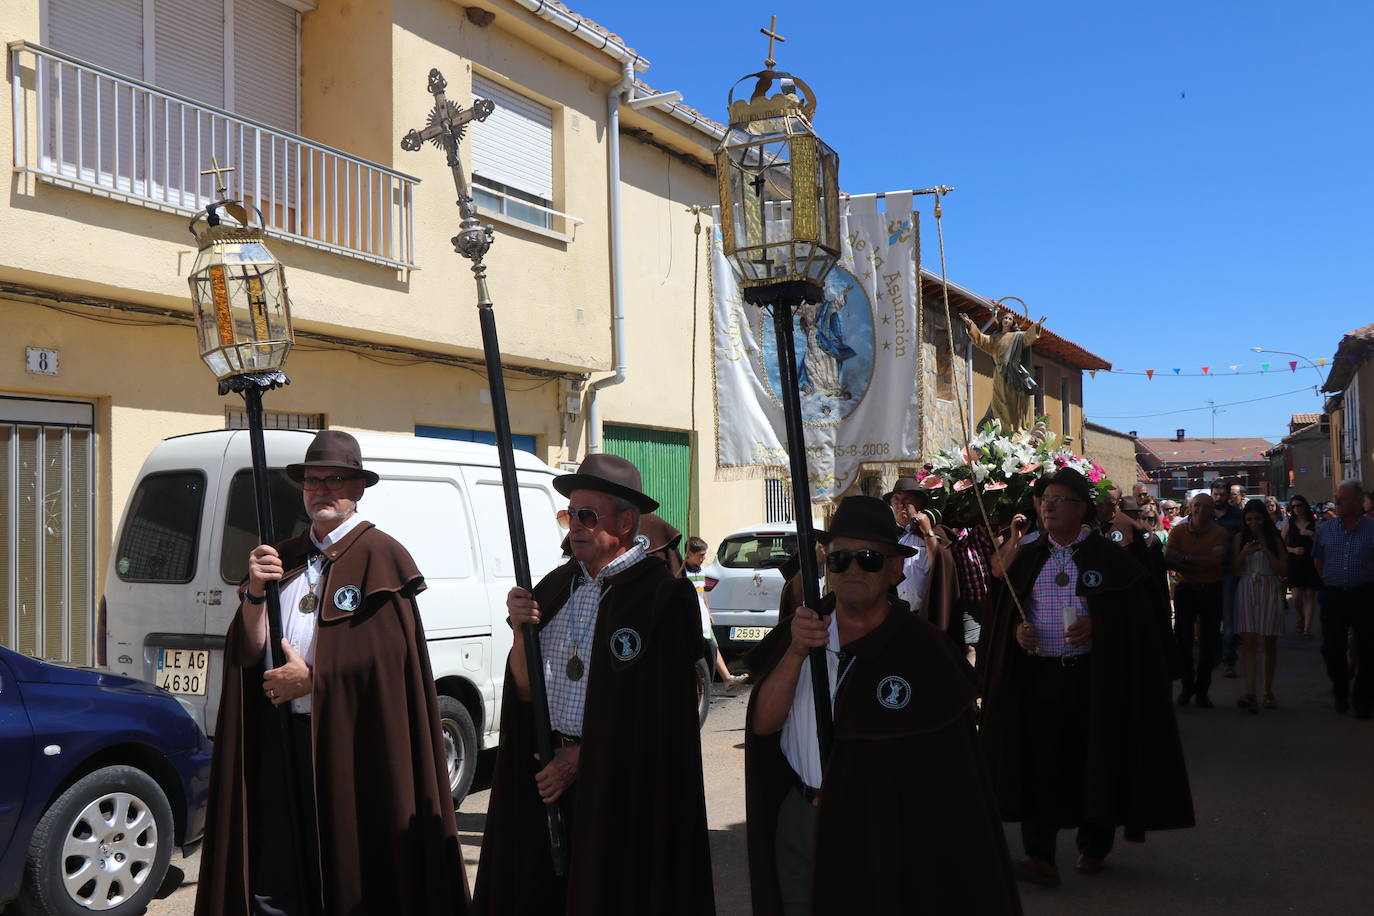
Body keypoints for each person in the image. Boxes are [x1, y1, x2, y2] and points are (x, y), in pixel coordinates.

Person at [195, 430, 467, 916]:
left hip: (350, 743)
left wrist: (315, 681)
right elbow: (247, 649)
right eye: (312, 481)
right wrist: (255, 593)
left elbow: (389, 665)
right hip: (281, 737)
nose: (321, 490)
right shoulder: (283, 555)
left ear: (358, 489)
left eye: (334, 480)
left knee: (346, 865)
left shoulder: (382, 556)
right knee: (276, 861)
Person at [744, 497, 1021, 915]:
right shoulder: (798, 634)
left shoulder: (925, 651)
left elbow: (952, 777)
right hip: (804, 822)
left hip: (885, 830)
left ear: (895, 569)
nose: (853, 569)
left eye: (870, 559)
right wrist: (797, 653)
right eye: (839, 559)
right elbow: (763, 727)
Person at [473, 454, 714, 914]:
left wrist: (581, 757)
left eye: (588, 515)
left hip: (624, 786)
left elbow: (660, 712)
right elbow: (524, 692)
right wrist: (520, 634)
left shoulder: (663, 597)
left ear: (626, 522)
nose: (575, 527)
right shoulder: (554, 587)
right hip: (548, 774)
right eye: (569, 515)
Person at [979, 468, 1193, 887]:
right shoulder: (1026, 554)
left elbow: (1139, 621)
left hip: (1096, 681)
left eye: (1059, 500)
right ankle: (1039, 854)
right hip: (1039, 679)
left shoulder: (1110, 556)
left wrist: (1100, 626)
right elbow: (1003, 608)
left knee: (1096, 758)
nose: (1049, 507)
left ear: (1082, 510)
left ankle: (1094, 845)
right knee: (1039, 760)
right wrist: (1016, 633)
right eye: (1044, 500)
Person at [1312, 480, 1374, 718]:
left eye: (1343, 498)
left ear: (1359, 503)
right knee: (1331, 648)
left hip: (1365, 595)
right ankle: (1340, 689)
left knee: (1369, 650)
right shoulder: (1326, 529)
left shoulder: (1371, 528)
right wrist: (1330, 582)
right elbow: (1318, 560)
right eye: (1337, 497)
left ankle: (1363, 699)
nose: (1336, 501)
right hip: (1334, 596)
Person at [1164, 493, 1230, 708]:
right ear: (1191, 508)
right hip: (1186, 590)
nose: (1201, 510)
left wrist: (1184, 560)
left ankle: (1202, 690)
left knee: (1209, 642)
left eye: (1206, 506)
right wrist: (1199, 563)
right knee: (1183, 639)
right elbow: (1168, 559)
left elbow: (1214, 561)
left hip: (1211, 590)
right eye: (1197, 505)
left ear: (1212, 510)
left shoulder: (1219, 532)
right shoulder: (1178, 530)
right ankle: (1187, 685)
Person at [1232, 499, 1288, 712]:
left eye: (1257, 519)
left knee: (1269, 642)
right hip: (1246, 587)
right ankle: (1250, 691)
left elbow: (1283, 570)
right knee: (1248, 641)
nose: (1253, 523)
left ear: (1264, 519)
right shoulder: (1240, 538)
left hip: (1268, 586)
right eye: (1249, 519)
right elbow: (1235, 570)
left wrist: (1266, 550)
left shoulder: (1274, 538)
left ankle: (1267, 690)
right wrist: (1244, 552)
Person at [884, 477, 957, 631]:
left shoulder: (933, 533)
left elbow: (939, 564)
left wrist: (926, 531)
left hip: (926, 614)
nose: (901, 504)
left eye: (907, 499)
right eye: (896, 499)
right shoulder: (884, 536)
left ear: (919, 504)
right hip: (892, 615)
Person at [960, 310, 1046, 431]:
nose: (1007, 320)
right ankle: (1000, 431)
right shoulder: (994, 339)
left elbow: (1027, 337)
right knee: (998, 402)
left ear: (1013, 323)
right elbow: (980, 339)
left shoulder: (1017, 337)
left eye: (1010, 319)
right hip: (999, 374)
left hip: (1012, 374)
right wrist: (970, 325)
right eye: (1005, 318)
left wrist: (1036, 326)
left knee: (1012, 402)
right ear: (1001, 321)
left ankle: (1012, 430)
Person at [686, 535, 747, 690]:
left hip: (702, 616)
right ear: (689, 554)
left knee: (713, 645)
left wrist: (709, 612)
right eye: (700, 555)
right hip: (690, 617)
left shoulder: (702, 570)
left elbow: (703, 593)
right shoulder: (682, 572)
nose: (703, 558)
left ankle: (727, 678)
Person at [1212, 483, 1245, 678]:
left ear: (1227, 495)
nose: (1218, 498)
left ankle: (1229, 660)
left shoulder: (1237, 516)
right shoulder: (1206, 514)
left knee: (1229, 619)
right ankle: (1213, 656)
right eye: (1215, 494)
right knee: (1210, 619)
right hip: (1207, 571)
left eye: (1221, 494)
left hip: (1229, 571)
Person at [1284, 495, 1322, 637]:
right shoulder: (1289, 523)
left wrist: (1311, 534)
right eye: (1293, 506)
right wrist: (1293, 550)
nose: (1296, 509)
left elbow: (1321, 541)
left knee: (1310, 594)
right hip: (1294, 562)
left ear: (1304, 505)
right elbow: (1281, 544)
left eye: (1299, 505)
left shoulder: (1314, 523)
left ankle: (1307, 629)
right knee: (1296, 597)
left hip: (1310, 562)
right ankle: (1301, 616)